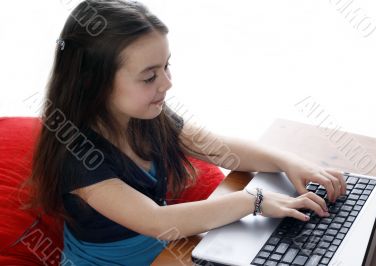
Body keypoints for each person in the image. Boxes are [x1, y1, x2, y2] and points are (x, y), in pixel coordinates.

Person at [28, 0, 346, 265]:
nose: (167, 83)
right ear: (93, 81)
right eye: (149, 76)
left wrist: (287, 161)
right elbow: (158, 222)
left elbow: (216, 147)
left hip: (170, 250)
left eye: (166, 66)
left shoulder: (146, 115)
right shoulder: (78, 156)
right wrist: (254, 200)